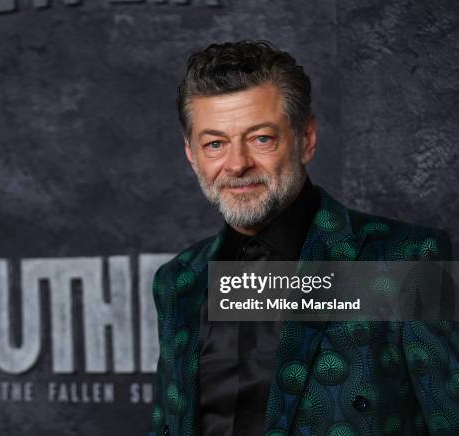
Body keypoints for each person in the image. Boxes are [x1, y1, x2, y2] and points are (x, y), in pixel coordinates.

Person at [147, 40, 456, 436]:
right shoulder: (178, 282)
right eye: (215, 144)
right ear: (192, 154)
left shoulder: (408, 261)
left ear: (306, 138)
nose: (237, 164)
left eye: (261, 138)